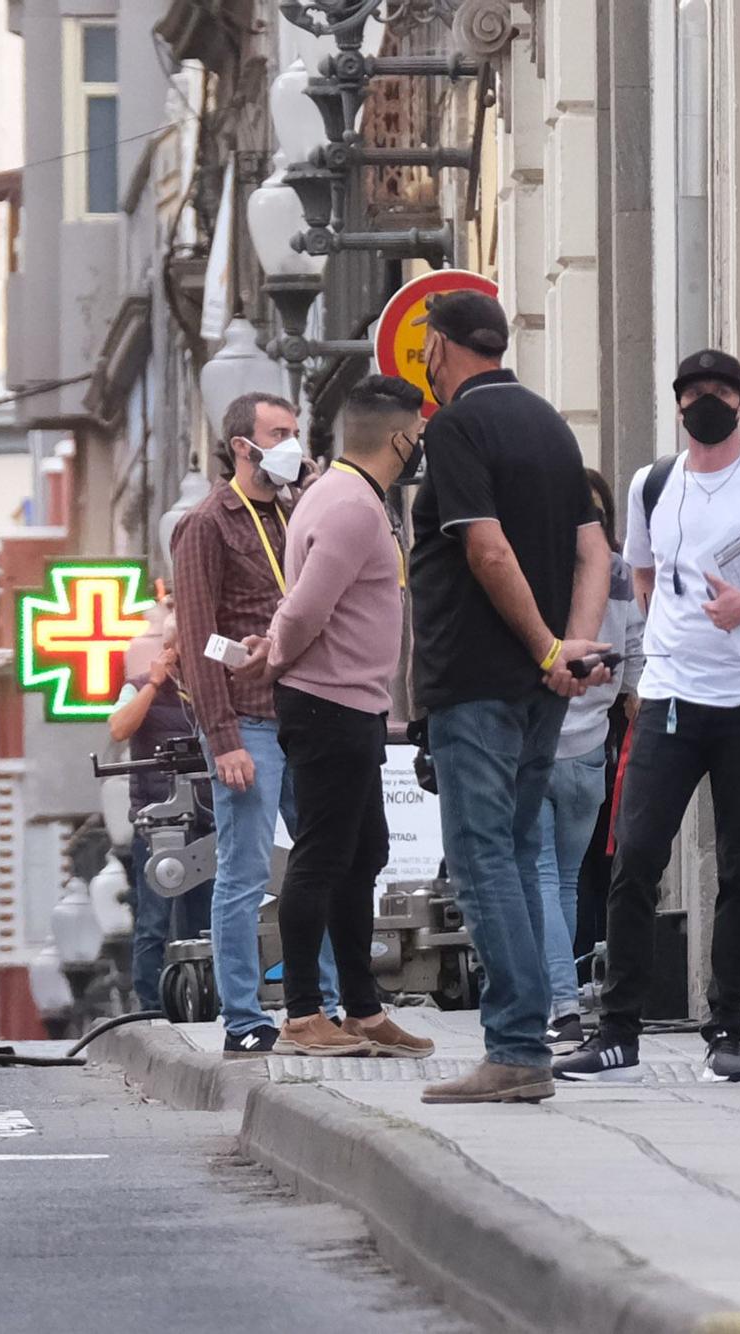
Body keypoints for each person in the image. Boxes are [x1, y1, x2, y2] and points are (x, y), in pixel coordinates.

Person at [554, 347, 740, 1085]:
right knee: (636, 858)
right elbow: (642, 567)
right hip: (673, 699)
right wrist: (663, 628)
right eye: (693, 394)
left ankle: (726, 1030)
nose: (705, 403)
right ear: (677, 407)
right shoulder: (653, 485)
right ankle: (618, 1030)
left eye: (719, 392)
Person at [407, 291, 613, 1106]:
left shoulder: (459, 427)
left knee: (485, 853)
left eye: (427, 346)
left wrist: (546, 647)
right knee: (518, 852)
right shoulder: (552, 426)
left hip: (478, 682)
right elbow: (594, 553)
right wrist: (573, 651)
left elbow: (487, 551)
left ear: (443, 348)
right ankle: (526, 1035)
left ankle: (517, 1046)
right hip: (541, 688)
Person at [237, 375, 435, 1059]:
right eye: (420, 434)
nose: (422, 446)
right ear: (401, 436)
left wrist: (281, 653)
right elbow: (306, 606)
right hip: (329, 703)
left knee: (363, 854)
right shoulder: (352, 504)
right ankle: (302, 1013)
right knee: (323, 857)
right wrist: (278, 655)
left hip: (350, 703)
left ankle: (363, 1008)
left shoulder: (338, 494)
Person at [172, 392, 339, 1057]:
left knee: (322, 864)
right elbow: (195, 636)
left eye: (296, 432)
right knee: (244, 873)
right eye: (279, 433)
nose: (292, 444)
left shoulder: (295, 514)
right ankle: (243, 1018)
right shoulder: (207, 524)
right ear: (242, 446)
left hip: (306, 715)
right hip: (250, 722)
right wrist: (223, 738)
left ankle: (319, 1005)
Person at [538, 467, 643, 1052]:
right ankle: (564, 992)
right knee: (569, 881)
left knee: (540, 877)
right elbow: (632, 658)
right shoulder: (622, 573)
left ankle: (560, 1004)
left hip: (542, 742)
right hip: (591, 753)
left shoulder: (542, 563)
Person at [108, 599, 214, 1012]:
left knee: (202, 919)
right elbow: (118, 728)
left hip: (207, 821)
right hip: (158, 824)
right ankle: (151, 1003)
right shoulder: (139, 686)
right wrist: (153, 684)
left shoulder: (208, 692)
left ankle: (203, 999)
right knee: (153, 919)